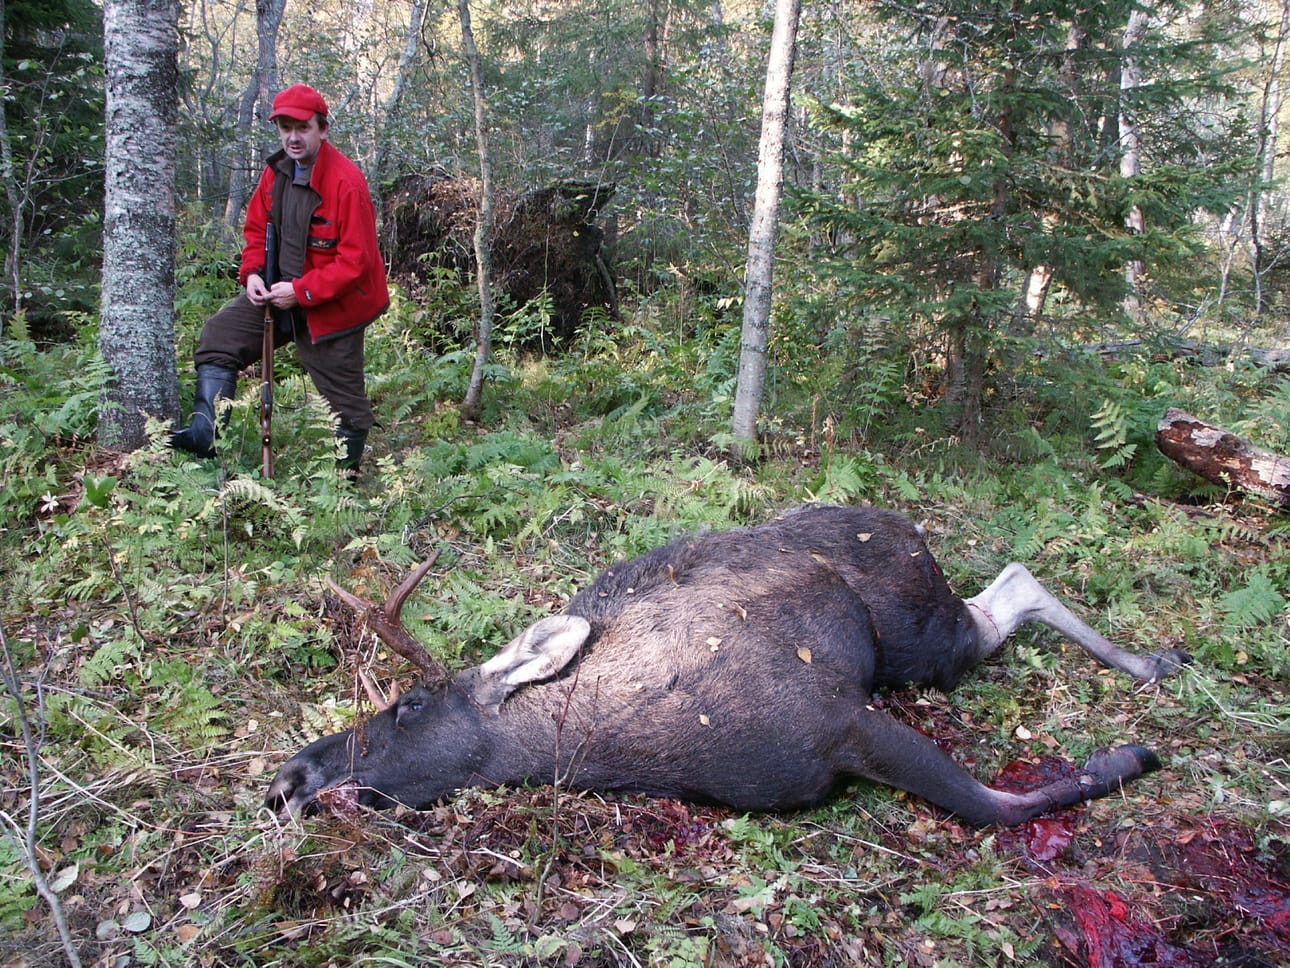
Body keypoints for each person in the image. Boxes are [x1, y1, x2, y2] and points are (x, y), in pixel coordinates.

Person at [172, 83, 389, 472]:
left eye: (302, 127)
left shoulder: (346, 183)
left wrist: (302, 292)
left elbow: (356, 261)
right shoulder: (277, 173)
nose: (292, 137)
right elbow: (257, 230)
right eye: (285, 127)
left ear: (322, 129)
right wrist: (253, 273)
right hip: (278, 290)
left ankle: (343, 490)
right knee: (219, 338)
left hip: (334, 306)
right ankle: (205, 434)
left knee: (347, 406)